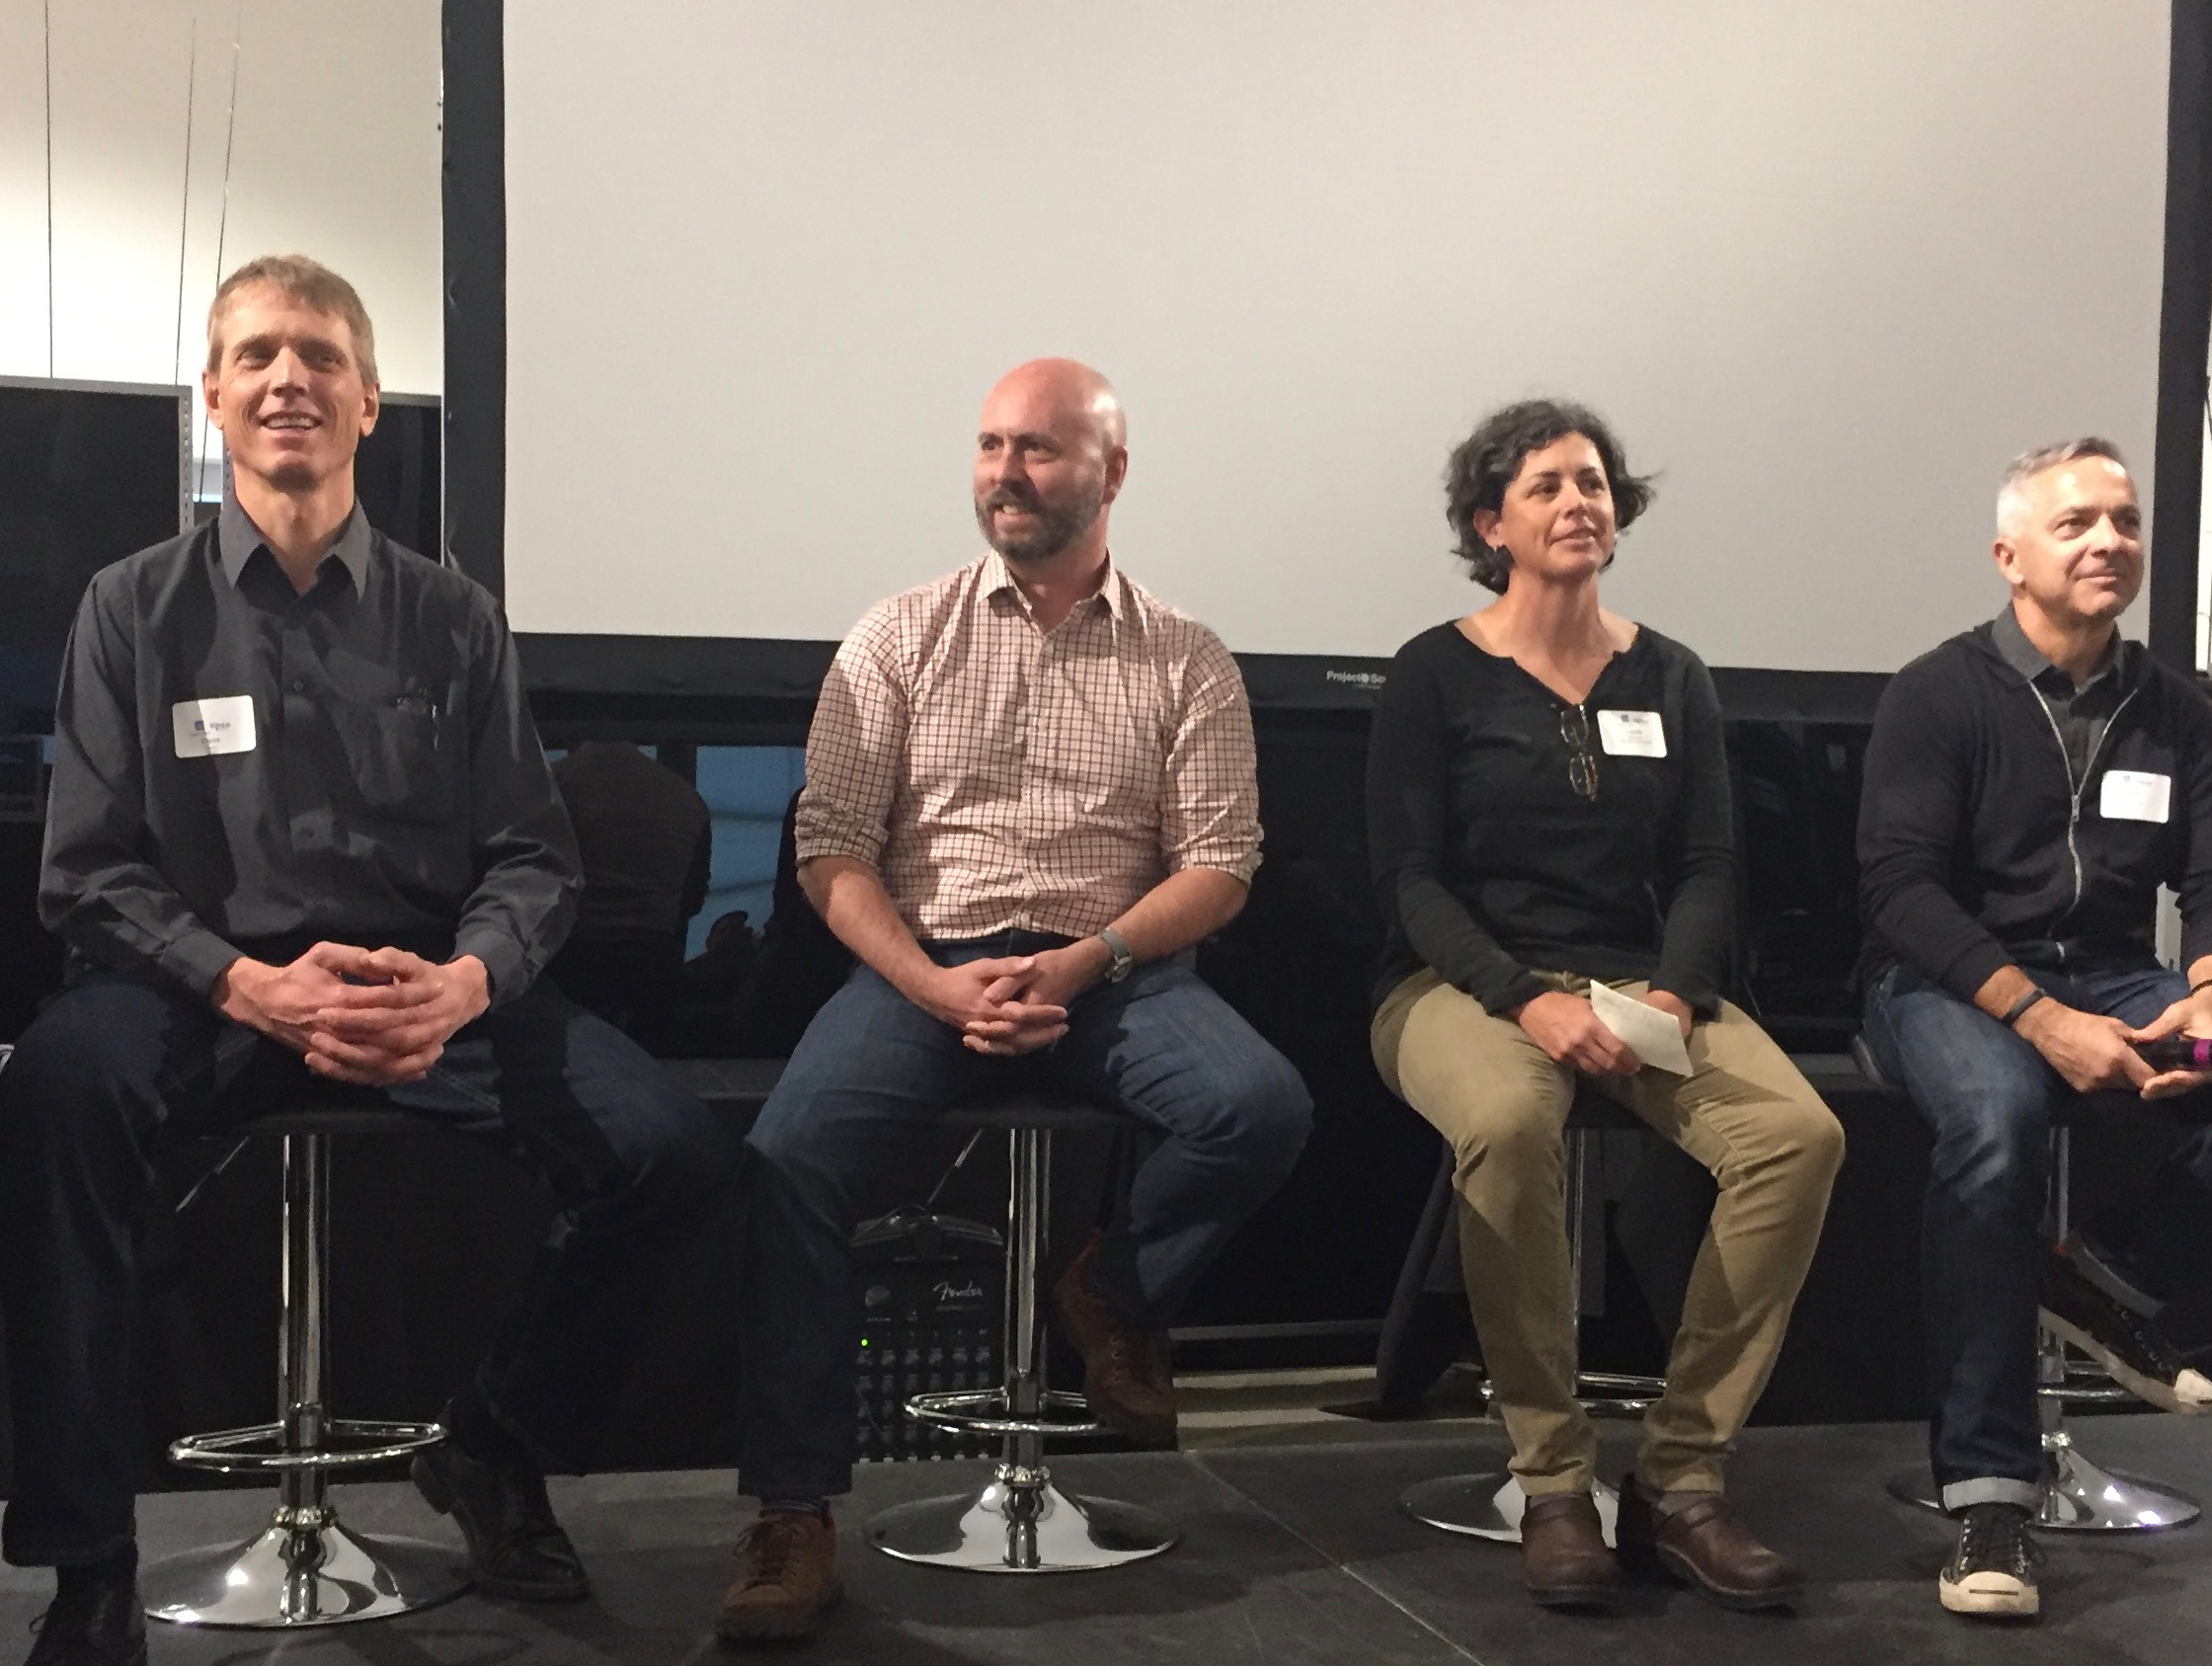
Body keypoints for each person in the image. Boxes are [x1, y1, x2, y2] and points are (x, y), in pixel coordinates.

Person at [0, 256, 730, 1666]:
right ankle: (89, 1559)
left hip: (422, 991)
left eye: (322, 356)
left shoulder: (451, 616)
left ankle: (494, 1442)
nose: (291, 379)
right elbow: (85, 868)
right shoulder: (129, 608)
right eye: (260, 354)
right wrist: (238, 979)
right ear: (213, 394)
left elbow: (533, 853)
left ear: (369, 399)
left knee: (676, 1154)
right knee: (53, 1098)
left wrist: (464, 980)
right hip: (193, 985)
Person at [718, 358, 1312, 1642]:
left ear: (1111, 471)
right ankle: (794, 1510)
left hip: (1114, 966)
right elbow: (830, 845)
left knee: (1256, 1106)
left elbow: (1220, 863)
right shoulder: (896, 632)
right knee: (788, 1158)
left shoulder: (1185, 656)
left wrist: (1085, 957)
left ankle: (1107, 1285)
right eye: (990, 444)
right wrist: (934, 979)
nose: (1006, 470)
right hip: (928, 963)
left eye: (1039, 447)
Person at [1367, 399, 1843, 1615]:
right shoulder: (1436, 670)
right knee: (1510, 1126)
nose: (1579, 502)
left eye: (1593, 483)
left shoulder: (1668, 674)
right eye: (1546, 487)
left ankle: (1682, 1479)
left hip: (1642, 981)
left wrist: (1673, 992)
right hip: (1461, 984)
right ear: (1491, 524)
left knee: (1798, 1137)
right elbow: (1410, 880)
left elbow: (1708, 867)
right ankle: (1556, 1482)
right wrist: (1522, 999)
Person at [1858, 437, 2212, 1622]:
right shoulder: (1939, 691)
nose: (2108, 542)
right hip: (1949, 981)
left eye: (2123, 521)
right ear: (2008, 554)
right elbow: (1900, 892)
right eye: (2076, 523)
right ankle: (1989, 1499)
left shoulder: (2174, 709)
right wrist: (2039, 1017)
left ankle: (2104, 1277)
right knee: (1997, 1111)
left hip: (2120, 975)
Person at [546, 740, 713, 1044]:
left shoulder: (551, 784)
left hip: (567, 954)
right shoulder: (684, 796)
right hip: (652, 958)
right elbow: (694, 895)